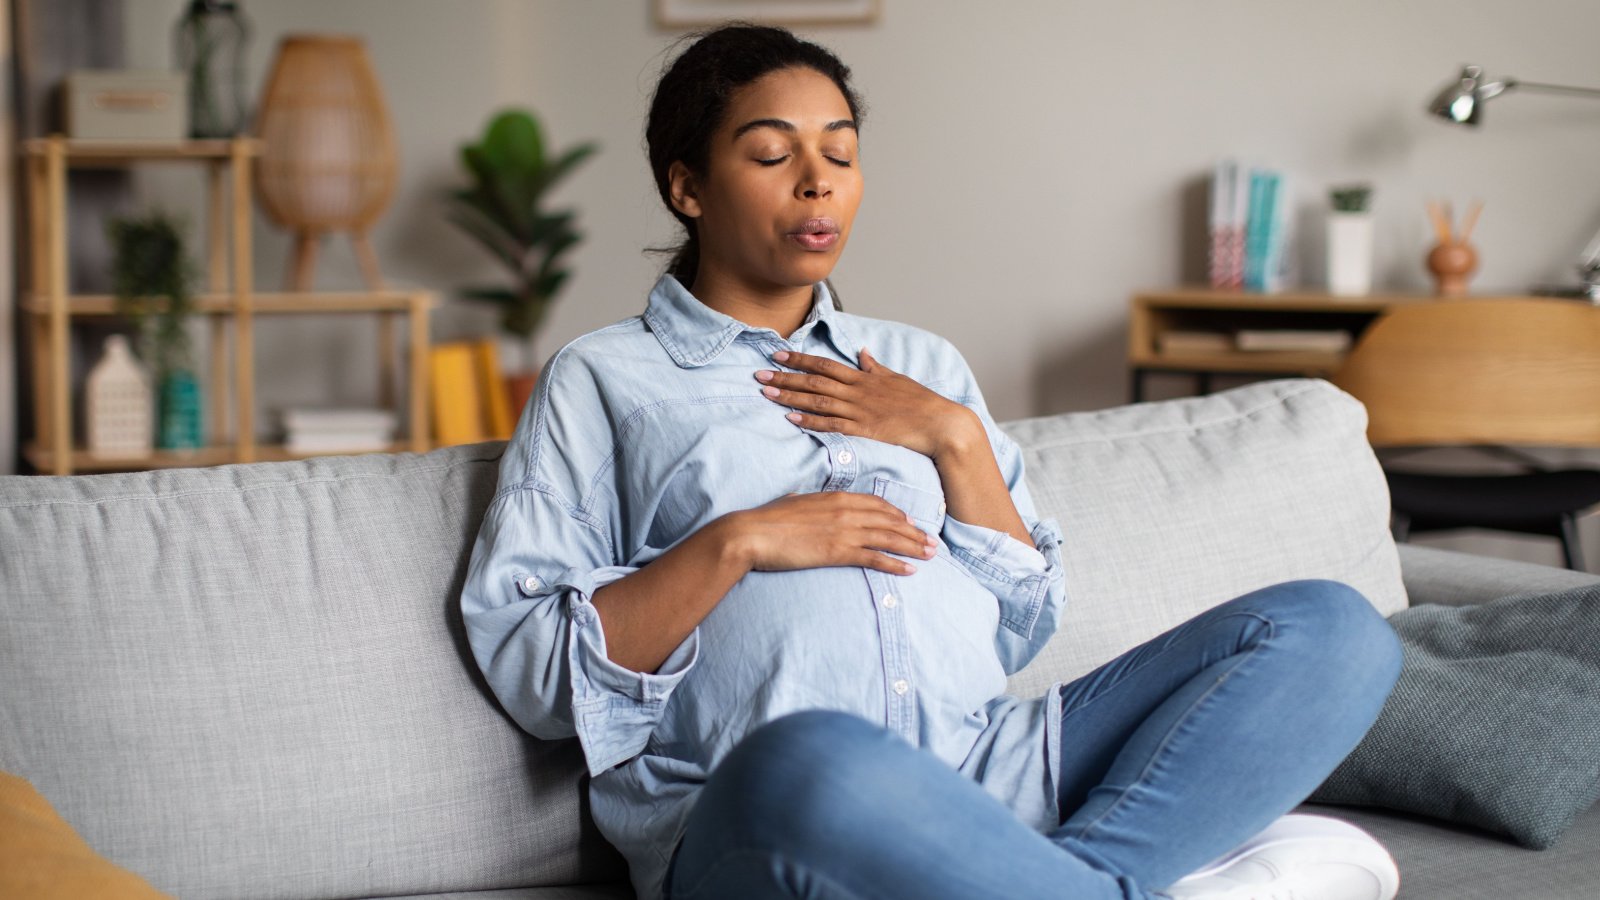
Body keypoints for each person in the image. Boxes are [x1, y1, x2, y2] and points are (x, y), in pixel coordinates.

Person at [459, 23, 1404, 900]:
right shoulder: (603, 378)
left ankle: (1073, 880)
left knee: (1332, 629)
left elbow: (1017, 630)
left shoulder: (921, 365)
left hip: (991, 761)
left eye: (840, 152)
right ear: (688, 187)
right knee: (816, 754)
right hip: (759, 800)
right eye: (772, 153)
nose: (817, 181)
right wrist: (737, 543)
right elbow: (532, 668)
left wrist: (953, 438)